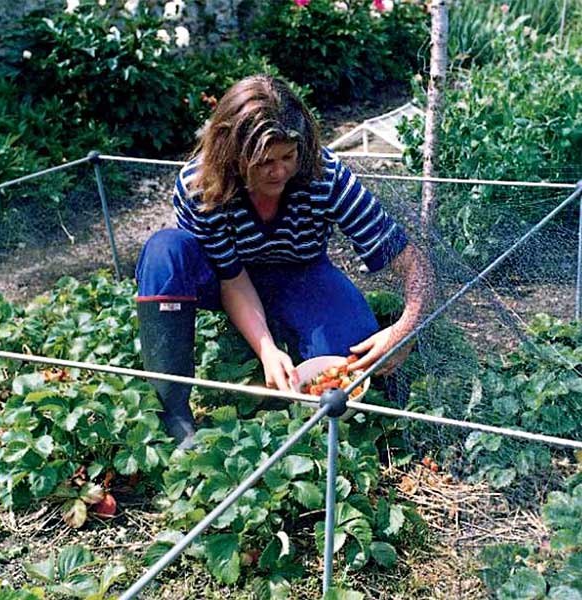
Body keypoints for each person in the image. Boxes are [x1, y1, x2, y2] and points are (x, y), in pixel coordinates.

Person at [135, 74, 433, 445]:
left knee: (350, 367)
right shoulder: (200, 185)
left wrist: (406, 328)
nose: (278, 171)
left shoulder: (325, 175)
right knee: (165, 250)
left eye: (287, 157)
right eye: (263, 162)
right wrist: (266, 349)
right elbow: (231, 278)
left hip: (300, 271)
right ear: (232, 155)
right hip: (227, 278)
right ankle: (174, 413)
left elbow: (410, 260)